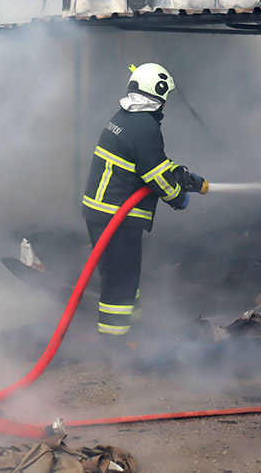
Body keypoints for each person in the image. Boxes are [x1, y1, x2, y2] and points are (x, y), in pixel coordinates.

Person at [81, 62, 206, 340]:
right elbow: (155, 177)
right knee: (120, 279)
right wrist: (178, 197)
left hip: (102, 212)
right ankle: (114, 342)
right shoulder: (144, 126)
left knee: (125, 274)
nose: (166, 103)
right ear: (158, 94)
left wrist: (180, 174)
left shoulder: (126, 117)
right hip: (115, 216)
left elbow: (149, 162)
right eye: (166, 97)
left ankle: (131, 327)